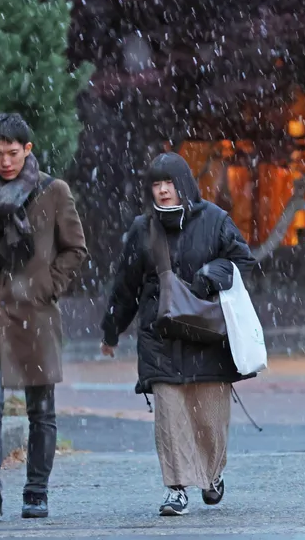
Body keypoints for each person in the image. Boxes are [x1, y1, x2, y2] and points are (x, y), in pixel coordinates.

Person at [100, 152, 256, 516]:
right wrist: (111, 330)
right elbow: (126, 286)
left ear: (183, 184)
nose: (163, 190)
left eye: (169, 182)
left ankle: (212, 474)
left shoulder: (215, 220)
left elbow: (242, 260)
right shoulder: (143, 229)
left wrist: (211, 275)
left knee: (210, 419)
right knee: (169, 417)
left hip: (208, 334)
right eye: (156, 184)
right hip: (159, 335)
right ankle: (176, 489)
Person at [0, 113, 87, 519]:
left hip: (35, 311)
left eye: (13, 153)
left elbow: (75, 248)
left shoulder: (53, 191)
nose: (6, 161)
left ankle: (36, 492)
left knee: (40, 408)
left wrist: (48, 285)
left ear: (27, 149)